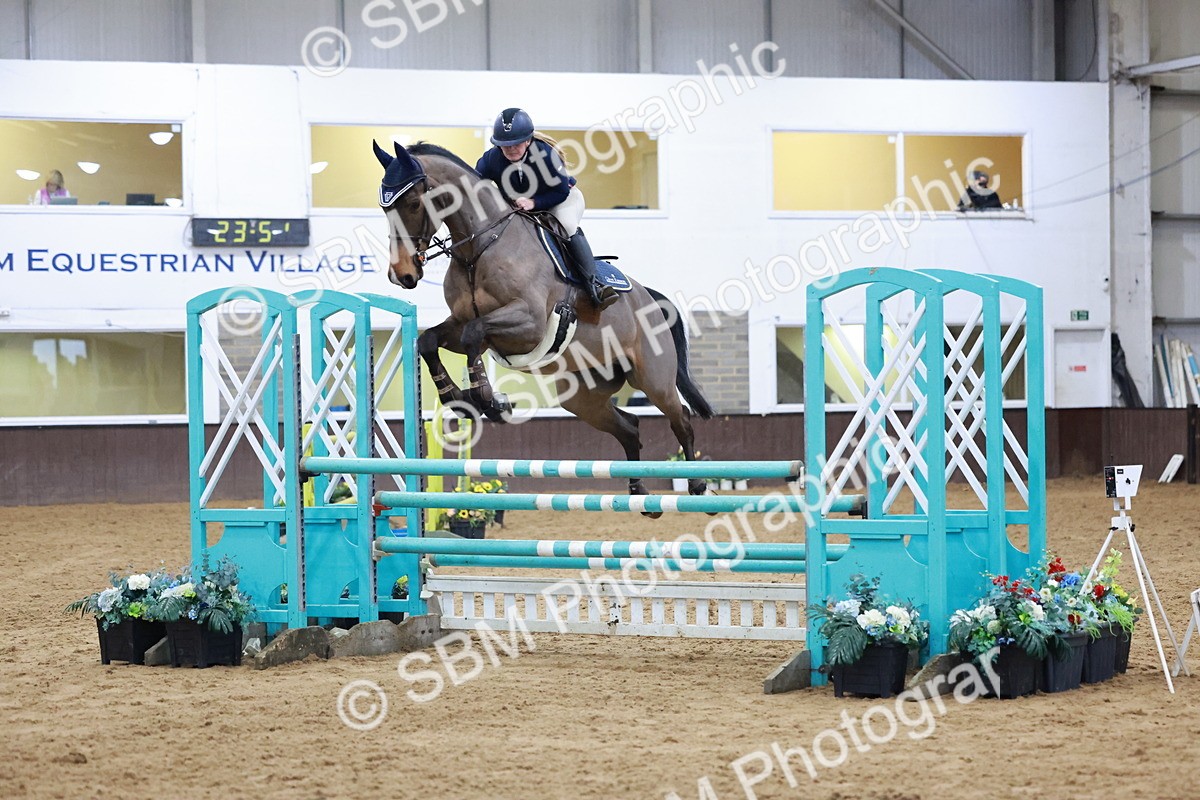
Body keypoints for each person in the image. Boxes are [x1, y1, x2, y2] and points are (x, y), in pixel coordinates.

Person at [475, 108, 615, 308]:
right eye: (504, 145)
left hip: (561, 199)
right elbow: (475, 183)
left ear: (528, 140)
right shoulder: (491, 159)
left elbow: (560, 192)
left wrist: (534, 203)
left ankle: (595, 285)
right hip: (523, 207)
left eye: (515, 144)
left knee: (566, 225)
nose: (510, 149)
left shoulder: (546, 155)